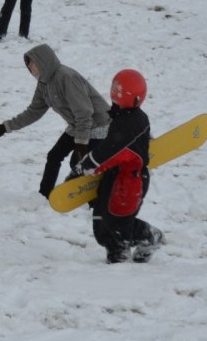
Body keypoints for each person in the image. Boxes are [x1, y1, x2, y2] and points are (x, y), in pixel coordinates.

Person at [0, 43, 111, 199]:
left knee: (79, 163)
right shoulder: (43, 84)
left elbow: (84, 112)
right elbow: (33, 112)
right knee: (54, 156)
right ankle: (44, 195)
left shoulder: (67, 77)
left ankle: (97, 195)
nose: (30, 68)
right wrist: (5, 127)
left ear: (42, 61)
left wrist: (81, 143)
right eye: (28, 65)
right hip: (77, 125)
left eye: (32, 64)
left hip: (97, 125)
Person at [69, 69, 163, 264]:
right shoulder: (122, 114)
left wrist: (82, 168)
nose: (115, 93)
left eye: (119, 90)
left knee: (117, 224)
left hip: (129, 182)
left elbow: (109, 152)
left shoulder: (130, 122)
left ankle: (149, 237)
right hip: (113, 176)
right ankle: (118, 255)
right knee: (101, 226)